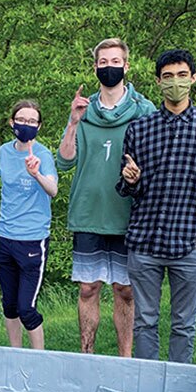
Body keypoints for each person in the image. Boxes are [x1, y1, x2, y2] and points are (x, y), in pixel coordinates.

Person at [116, 49, 196, 363]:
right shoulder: (139, 130)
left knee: (184, 325)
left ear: (193, 78)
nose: (175, 82)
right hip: (145, 242)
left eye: (181, 75)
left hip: (190, 243)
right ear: (158, 82)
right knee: (145, 322)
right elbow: (126, 189)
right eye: (168, 77)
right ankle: (147, 391)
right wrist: (131, 180)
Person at [57, 38, 155, 355]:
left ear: (126, 66)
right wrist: (72, 122)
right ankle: (87, 356)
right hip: (88, 213)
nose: (109, 67)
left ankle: (124, 359)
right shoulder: (83, 110)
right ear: (96, 67)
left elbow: (155, 163)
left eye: (115, 61)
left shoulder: (144, 111)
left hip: (128, 215)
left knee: (125, 291)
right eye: (103, 62)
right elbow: (64, 160)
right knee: (88, 288)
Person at [0, 100, 58, 349]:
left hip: (32, 240)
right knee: (9, 305)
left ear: (39, 126)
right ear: (12, 122)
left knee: (26, 308)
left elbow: (52, 190)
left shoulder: (42, 155)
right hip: (4, 237)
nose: (26, 125)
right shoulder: (3, 151)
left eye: (32, 121)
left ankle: (38, 359)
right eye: (21, 119)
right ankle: (14, 355)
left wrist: (36, 175)